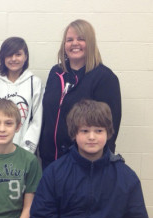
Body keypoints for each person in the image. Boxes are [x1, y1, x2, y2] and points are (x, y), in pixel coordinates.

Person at [30, 99, 150, 218]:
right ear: (74, 133)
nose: (92, 137)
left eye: (99, 130)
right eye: (85, 131)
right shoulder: (54, 173)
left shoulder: (126, 177)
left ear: (108, 133)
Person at [39, 19, 121, 168]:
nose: (74, 43)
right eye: (69, 40)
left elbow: (110, 128)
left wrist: (100, 164)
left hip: (82, 164)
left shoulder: (104, 78)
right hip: (49, 162)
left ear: (90, 43)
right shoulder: (55, 73)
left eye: (81, 39)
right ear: (64, 45)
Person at [0, 37, 44, 154]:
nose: (14, 59)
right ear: (3, 57)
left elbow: (37, 119)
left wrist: (27, 149)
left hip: (24, 152)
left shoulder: (34, 83)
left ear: (25, 57)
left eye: (18, 54)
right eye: (9, 55)